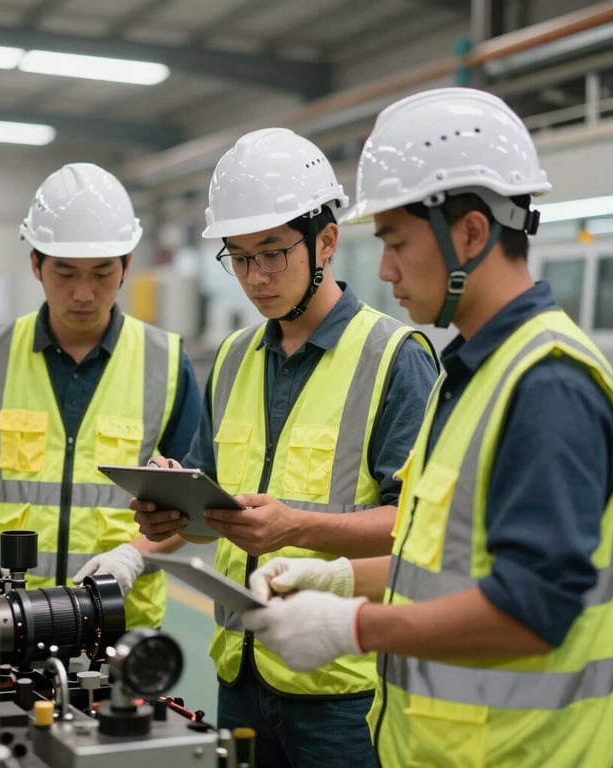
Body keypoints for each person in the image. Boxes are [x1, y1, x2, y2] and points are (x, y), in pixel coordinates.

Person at [243, 87, 613, 768]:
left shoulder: (547, 385)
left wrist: (352, 628)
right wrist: (337, 580)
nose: (383, 271)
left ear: (470, 232)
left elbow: (532, 609)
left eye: (396, 242)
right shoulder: (465, 374)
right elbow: (439, 570)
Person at [134, 128, 439, 768]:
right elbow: (210, 509)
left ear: (326, 240)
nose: (256, 278)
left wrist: (294, 526)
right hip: (240, 676)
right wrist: (171, 511)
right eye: (239, 257)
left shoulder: (394, 359)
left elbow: (415, 532)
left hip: (342, 689)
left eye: (273, 253)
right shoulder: (232, 358)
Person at [0, 162, 201, 632]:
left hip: (120, 624)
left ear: (127, 266)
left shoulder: (167, 362)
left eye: (101, 273)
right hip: (9, 615)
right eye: (64, 273)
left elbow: (195, 505)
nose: (83, 293)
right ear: (35, 264)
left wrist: (133, 557)